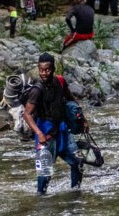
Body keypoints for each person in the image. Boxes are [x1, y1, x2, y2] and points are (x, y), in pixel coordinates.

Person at [23, 53, 83, 195]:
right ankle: (41, 197)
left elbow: (71, 98)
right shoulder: (36, 90)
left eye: (48, 69)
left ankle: (76, 191)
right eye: (41, 70)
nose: (44, 73)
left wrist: (82, 119)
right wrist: (39, 134)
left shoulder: (60, 81)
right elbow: (26, 114)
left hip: (62, 129)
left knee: (77, 161)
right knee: (45, 171)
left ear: (53, 68)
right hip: (45, 131)